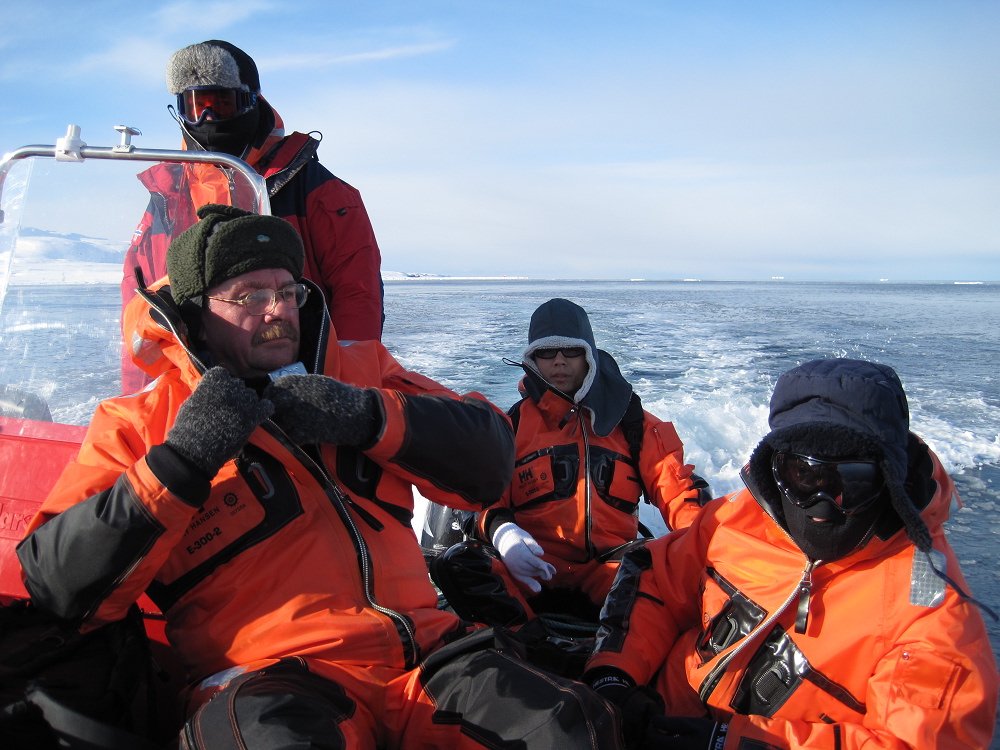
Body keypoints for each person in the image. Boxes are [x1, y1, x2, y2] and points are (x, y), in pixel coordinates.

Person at [18, 206, 623, 749]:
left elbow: (492, 459)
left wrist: (367, 417)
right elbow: (57, 585)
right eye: (250, 294)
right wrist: (182, 461)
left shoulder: (360, 374)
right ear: (199, 315)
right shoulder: (138, 425)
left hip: (425, 659)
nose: (278, 310)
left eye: (287, 291)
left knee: (572, 728)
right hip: (269, 680)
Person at [583, 358, 999, 749]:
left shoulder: (934, 617)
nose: (822, 503)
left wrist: (730, 742)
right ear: (775, 468)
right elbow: (657, 579)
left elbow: (913, 740)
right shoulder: (736, 520)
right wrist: (614, 676)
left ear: (888, 478)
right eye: (804, 475)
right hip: (646, 718)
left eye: (852, 481)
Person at [121, 39, 383, 393]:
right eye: (194, 106)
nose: (207, 119)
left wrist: (344, 395)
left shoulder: (318, 191)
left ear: (250, 101)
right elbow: (140, 302)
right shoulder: (168, 197)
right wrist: (138, 393)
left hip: (300, 377)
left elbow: (359, 294)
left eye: (221, 104)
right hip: (196, 385)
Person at [433, 297, 709, 631]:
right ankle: (532, 643)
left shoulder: (633, 424)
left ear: (589, 355)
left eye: (571, 350)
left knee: (665, 568)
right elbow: (484, 499)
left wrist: (707, 545)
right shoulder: (512, 426)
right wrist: (504, 534)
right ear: (533, 359)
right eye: (547, 352)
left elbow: (679, 492)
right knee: (459, 564)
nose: (559, 361)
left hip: (612, 573)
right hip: (529, 570)